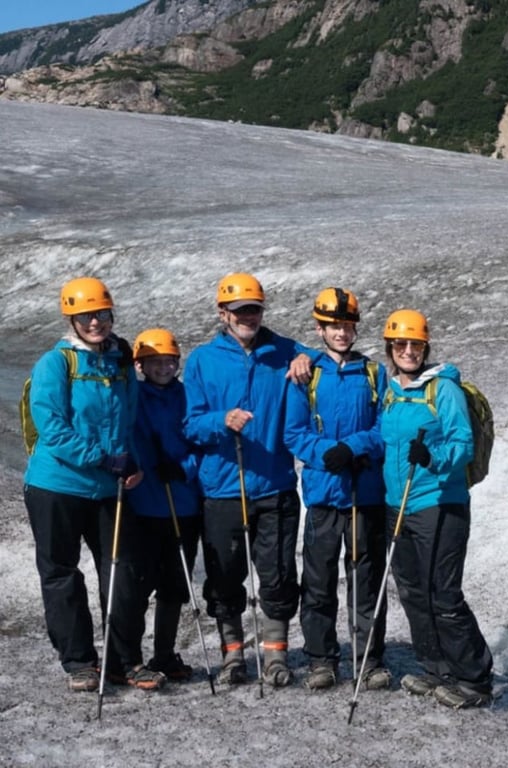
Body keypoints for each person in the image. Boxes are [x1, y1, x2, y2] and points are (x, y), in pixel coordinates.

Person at [24, 277, 161, 691]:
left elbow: (130, 418)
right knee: (62, 574)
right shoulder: (56, 363)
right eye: (86, 315)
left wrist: (131, 458)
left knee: (121, 571)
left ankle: (124, 660)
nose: (96, 322)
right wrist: (103, 458)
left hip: (107, 487)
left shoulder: (121, 360)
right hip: (57, 485)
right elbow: (52, 428)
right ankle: (80, 662)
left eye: (101, 313)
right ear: (72, 318)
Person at [183, 272, 314, 687]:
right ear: (223, 314)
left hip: (274, 486)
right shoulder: (203, 359)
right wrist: (221, 421)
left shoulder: (285, 350)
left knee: (276, 575)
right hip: (222, 487)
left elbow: (328, 355)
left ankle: (275, 656)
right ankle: (233, 654)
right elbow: (190, 424)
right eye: (240, 311)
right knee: (225, 578)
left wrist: (307, 359)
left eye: (254, 309)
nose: (248, 317)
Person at [378, 309, 494, 709]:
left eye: (415, 344)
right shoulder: (390, 390)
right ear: (390, 348)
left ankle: (475, 679)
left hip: (440, 503)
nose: (408, 351)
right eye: (400, 345)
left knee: (443, 594)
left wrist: (431, 457)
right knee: (412, 591)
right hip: (397, 505)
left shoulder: (443, 389)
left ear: (426, 347)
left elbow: (462, 445)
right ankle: (436, 669)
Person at [283, 288, 390, 691]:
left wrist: (355, 447)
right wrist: (327, 451)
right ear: (319, 328)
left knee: (366, 580)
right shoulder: (305, 375)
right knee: (319, 582)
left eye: (346, 326)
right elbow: (294, 432)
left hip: (366, 496)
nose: (341, 333)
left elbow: (385, 428)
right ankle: (321, 660)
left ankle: (369, 660)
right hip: (325, 494)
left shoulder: (374, 373)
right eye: (333, 326)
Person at [127, 328, 203, 683]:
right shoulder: (132, 397)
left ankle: (164, 654)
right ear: (140, 365)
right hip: (143, 505)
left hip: (183, 503)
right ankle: (130, 656)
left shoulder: (188, 396)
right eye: (154, 362)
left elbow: (203, 443)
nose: (163, 368)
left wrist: (184, 467)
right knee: (139, 585)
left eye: (169, 361)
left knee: (175, 584)